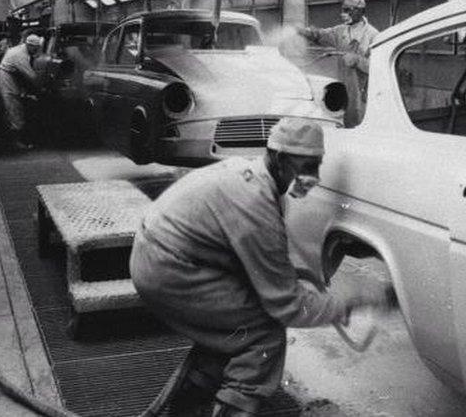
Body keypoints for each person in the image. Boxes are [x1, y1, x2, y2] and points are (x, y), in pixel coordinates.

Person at [130, 118, 382, 416]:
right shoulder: (255, 203)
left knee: (232, 329)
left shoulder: (251, 175)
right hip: (169, 269)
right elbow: (288, 307)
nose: (312, 176)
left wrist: (295, 277)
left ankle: (187, 406)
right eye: (305, 166)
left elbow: (263, 263)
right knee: (262, 331)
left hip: (162, 256)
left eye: (316, 165)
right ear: (278, 158)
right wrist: (351, 301)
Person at [297, 0, 379, 127]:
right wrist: (310, 33)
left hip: (362, 93)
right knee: (341, 122)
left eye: (348, 10)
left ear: (360, 11)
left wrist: (358, 61)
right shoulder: (341, 30)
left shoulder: (372, 35)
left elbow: (378, 68)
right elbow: (323, 35)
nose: (344, 14)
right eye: (343, 10)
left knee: (358, 125)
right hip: (343, 89)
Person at [0, 34, 45, 149]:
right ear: (30, 45)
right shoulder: (20, 55)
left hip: (8, 78)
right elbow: (32, 76)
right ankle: (15, 142)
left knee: (10, 109)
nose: (36, 51)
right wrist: (42, 89)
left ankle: (8, 138)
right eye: (35, 48)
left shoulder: (21, 49)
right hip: (6, 79)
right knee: (14, 109)